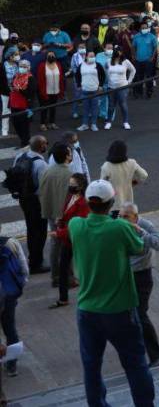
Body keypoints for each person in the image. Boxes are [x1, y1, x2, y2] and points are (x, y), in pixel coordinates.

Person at [69, 179, 155, 406]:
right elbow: (138, 246)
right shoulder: (120, 227)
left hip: (87, 309)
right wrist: (133, 227)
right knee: (136, 364)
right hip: (120, 309)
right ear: (111, 202)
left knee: (91, 366)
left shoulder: (76, 225)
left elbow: (77, 216)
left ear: (88, 202)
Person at [117, 203, 159, 367]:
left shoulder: (145, 225)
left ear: (136, 217)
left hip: (141, 276)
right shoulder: (117, 226)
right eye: (120, 216)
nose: (122, 219)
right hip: (124, 275)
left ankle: (156, 355)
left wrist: (141, 233)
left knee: (140, 314)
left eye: (126, 216)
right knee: (124, 317)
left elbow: (158, 243)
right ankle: (133, 355)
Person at [48, 173, 89, 309]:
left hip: (75, 240)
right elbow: (67, 214)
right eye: (69, 184)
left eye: (73, 185)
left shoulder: (83, 203)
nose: (70, 187)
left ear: (81, 186)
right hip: (68, 240)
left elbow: (78, 226)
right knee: (63, 267)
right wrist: (61, 220)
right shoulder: (71, 197)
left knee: (81, 269)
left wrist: (58, 233)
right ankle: (63, 298)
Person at [12, 136, 49, 273]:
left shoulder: (20, 157)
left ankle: (32, 259)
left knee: (31, 229)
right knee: (40, 232)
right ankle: (36, 262)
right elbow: (43, 189)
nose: (47, 145)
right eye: (45, 143)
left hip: (24, 199)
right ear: (41, 146)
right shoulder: (41, 164)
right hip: (36, 202)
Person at [39, 141, 73, 287]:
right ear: (66, 156)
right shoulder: (70, 174)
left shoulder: (48, 170)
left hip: (51, 212)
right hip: (65, 215)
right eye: (69, 153)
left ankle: (55, 276)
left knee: (55, 244)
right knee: (67, 245)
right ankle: (68, 277)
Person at [0, 222, 29, 378]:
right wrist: (21, 283)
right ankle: (12, 365)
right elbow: (23, 266)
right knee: (10, 327)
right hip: (9, 293)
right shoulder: (11, 242)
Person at [99, 140, 149, 208]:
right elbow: (144, 175)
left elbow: (102, 186)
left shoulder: (106, 166)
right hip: (128, 203)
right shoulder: (132, 163)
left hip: (113, 204)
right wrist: (134, 182)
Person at [105, 47, 136, 130]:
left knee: (123, 104)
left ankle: (126, 122)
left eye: (120, 52)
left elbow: (133, 70)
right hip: (111, 87)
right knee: (111, 106)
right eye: (117, 52)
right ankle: (109, 122)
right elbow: (106, 70)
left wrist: (129, 81)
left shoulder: (126, 62)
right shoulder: (108, 61)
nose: (119, 54)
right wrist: (109, 80)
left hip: (123, 87)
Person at [9, 59, 36, 147]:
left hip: (24, 106)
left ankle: (25, 142)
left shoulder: (30, 78)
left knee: (24, 125)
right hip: (14, 104)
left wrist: (19, 90)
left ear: (28, 68)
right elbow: (12, 85)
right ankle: (23, 140)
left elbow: (31, 93)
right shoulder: (16, 76)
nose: (22, 68)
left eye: (24, 67)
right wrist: (12, 87)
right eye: (21, 66)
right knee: (15, 124)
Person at [36, 52, 64, 132]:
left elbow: (61, 78)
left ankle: (52, 123)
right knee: (44, 108)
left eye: (53, 55)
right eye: (49, 55)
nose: (51, 57)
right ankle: (42, 124)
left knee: (53, 108)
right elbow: (40, 80)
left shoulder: (58, 64)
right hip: (45, 91)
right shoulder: (42, 65)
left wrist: (61, 90)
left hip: (55, 91)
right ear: (46, 57)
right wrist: (42, 91)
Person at [132, 21, 158, 99]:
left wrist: (152, 57)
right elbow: (133, 47)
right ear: (140, 29)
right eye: (142, 28)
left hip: (148, 60)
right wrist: (134, 56)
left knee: (149, 77)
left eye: (145, 28)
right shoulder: (136, 36)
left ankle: (149, 92)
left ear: (148, 28)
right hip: (138, 60)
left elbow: (155, 47)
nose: (144, 29)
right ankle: (139, 92)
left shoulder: (152, 37)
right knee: (138, 77)